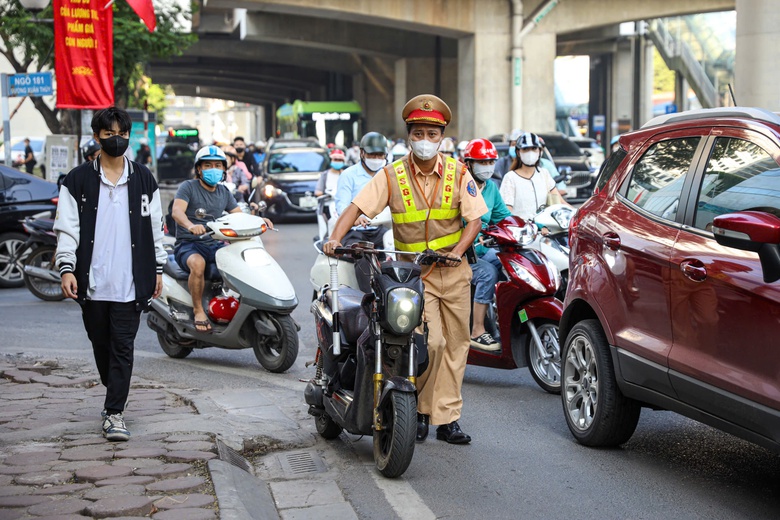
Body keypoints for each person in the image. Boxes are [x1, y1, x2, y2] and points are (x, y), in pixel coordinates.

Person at [324, 94, 488, 445]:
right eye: (418, 133)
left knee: (458, 345)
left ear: (441, 137)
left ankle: (447, 420)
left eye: (432, 134)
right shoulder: (392, 174)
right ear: (409, 136)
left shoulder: (459, 173)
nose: (425, 141)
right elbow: (356, 207)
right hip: (413, 276)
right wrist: (334, 237)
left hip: (455, 272)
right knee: (432, 343)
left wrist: (458, 252)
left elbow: (474, 219)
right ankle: (421, 410)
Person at [54, 106, 167, 442]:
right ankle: (115, 389)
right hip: (93, 282)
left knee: (122, 347)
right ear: (97, 137)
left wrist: (157, 267)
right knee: (100, 343)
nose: (117, 140)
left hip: (132, 283)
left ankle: (115, 413)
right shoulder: (78, 180)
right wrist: (66, 268)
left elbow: (156, 229)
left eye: (122, 134)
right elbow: (67, 229)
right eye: (109, 134)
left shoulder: (144, 178)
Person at [171, 146, 273, 333]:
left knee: (239, 262)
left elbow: (238, 214)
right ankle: (198, 310)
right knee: (198, 264)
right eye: (208, 165)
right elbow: (177, 211)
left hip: (214, 244)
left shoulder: (224, 192)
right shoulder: (188, 187)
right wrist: (191, 225)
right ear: (199, 169)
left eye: (218, 165)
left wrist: (259, 220)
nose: (213, 169)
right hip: (189, 244)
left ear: (224, 169)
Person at [462, 138, 511, 351]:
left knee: (508, 265)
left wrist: (527, 226)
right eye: (482, 162)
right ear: (469, 163)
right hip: (460, 253)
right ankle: (477, 330)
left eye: (491, 162)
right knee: (487, 273)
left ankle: (502, 320)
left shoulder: (490, 187)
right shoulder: (460, 185)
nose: (488, 167)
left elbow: (504, 218)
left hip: (482, 251)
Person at [333, 131, 390, 292]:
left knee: (398, 248)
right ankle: (369, 298)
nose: (377, 159)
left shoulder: (386, 175)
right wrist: (355, 218)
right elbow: (342, 206)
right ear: (362, 153)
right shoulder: (348, 175)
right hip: (355, 231)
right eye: (373, 155)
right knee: (363, 254)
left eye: (380, 155)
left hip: (380, 229)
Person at [499, 132, 566, 224]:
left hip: (546, 232)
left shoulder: (544, 173)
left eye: (534, 148)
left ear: (539, 151)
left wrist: (577, 213)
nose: (530, 152)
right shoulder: (510, 178)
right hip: (522, 233)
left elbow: (560, 202)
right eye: (525, 149)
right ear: (518, 152)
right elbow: (507, 213)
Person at [314, 149, 346, 240]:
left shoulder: (345, 175)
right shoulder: (324, 175)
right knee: (331, 222)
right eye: (335, 159)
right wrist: (328, 194)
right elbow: (318, 192)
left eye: (340, 160)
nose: (337, 162)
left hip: (343, 205)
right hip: (328, 206)